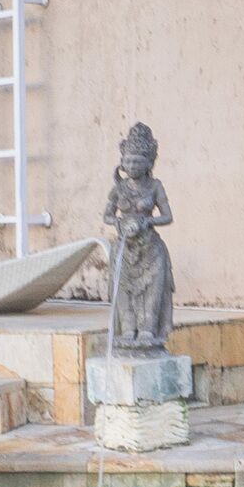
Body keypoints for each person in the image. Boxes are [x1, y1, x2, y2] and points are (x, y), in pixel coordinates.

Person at [105, 123, 174, 354]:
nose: (132, 165)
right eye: (128, 160)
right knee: (123, 290)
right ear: (122, 162)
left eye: (137, 161)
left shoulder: (155, 186)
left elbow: (167, 216)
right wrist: (117, 222)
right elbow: (107, 215)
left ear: (148, 164)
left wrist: (147, 221)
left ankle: (148, 329)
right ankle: (128, 329)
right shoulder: (118, 189)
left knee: (152, 292)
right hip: (124, 248)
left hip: (151, 249)